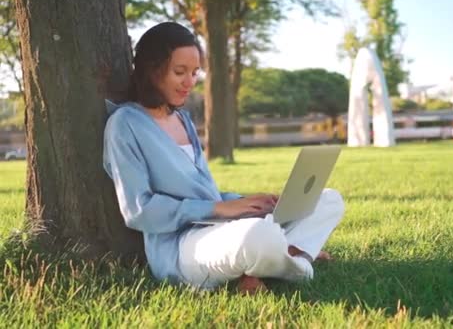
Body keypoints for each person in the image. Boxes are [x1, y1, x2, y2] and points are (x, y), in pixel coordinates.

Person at [102, 22, 345, 294]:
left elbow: (206, 193)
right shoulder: (124, 124)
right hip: (181, 247)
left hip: (220, 227)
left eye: (194, 73)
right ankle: (298, 258)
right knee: (256, 235)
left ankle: (275, 259)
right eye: (179, 72)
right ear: (151, 69)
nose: (189, 82)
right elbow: (140, 211)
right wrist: (219, 209)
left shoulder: (182, 118)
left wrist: (248, 202)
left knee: (329, 201)